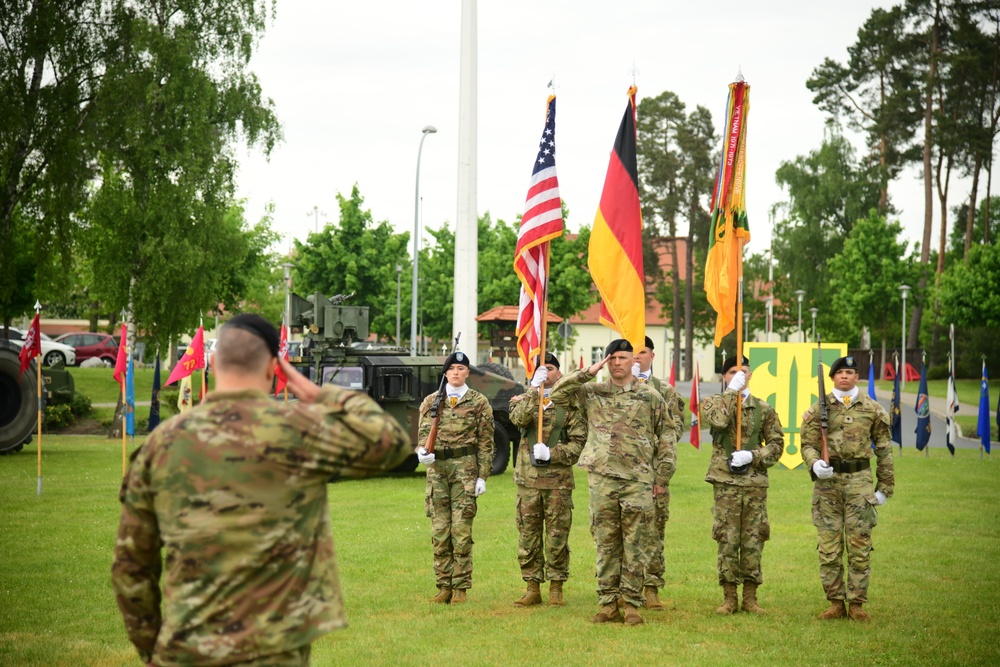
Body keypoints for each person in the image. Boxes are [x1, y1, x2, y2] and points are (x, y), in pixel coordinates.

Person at [112, 314, 410, 666]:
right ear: (274, 368)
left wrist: (151, 649)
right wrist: (319, 393)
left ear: (210, 363)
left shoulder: (162, 443)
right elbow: (392, 443)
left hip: (187, 648)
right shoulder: (300, 430)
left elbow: (131, 566)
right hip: (275, 651)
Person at [549, 339, 677, 626]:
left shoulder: (650, 397)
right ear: (606, 361)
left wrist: (662, 476)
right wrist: (587, 372)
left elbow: (667, 436)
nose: (617, 362)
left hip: (638, 480)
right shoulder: (592, 392)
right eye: (612, 358)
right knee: (606, 542)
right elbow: (556, 394)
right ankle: (608, 603)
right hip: (602, 479)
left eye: (623, 357)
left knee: (635, 542)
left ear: (633, 360)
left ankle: (631, 603)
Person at [800, 355, 895, 622]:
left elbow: (885, 450)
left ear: (857, 377)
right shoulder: (819, 408)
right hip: (827, 485)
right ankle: (835, 602)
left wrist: (885, 488)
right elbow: (807, 443)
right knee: (829, 547)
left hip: (859, 483)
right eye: (840, 372)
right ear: (832, 378)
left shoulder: (872, 408)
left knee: (859, 545)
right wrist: (814, 463)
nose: (844, 376)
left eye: (850, 372)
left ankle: (857, 604)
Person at [700, 354, 784, 615]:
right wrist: (731, 391)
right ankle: (729, 597)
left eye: (743, 371)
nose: (739, 374)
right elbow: (719, 421)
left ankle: (750, 597)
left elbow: (777, 445)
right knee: (727, 538)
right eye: (732, 371)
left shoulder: (764, 409)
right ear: (724, 376)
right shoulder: (713, 403)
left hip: (754, 483)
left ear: (751, 375)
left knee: (753, 538)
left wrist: (754, 455)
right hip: (725, 482)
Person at [415, 351, 495, 605]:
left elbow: (486, 442)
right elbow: (422, 434)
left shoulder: (479, 401)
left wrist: (482, 476)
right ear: (446, 373)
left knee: (461, 531)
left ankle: (460, 587)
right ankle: (443, 586)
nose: (456, 372)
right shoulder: (431, 401)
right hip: (437, 471)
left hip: (465, 469)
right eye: (452, 368)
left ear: (468, 373)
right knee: (440, 531)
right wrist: (421, 452)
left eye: (461, 368)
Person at [508, 352, 586, 607]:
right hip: (528, 482)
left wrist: (553, 453)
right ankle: (532, 587)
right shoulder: (521, 400)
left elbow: (578, 444)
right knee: (528, 536)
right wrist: (533, 389)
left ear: (559, 373)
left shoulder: (571, 406)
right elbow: (519, 419)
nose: (546, 373)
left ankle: (556, 588)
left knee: (557, 536)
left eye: (550, 368)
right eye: (541, 369)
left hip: (558, 483)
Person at [631, 335, 685, 611]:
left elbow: (674, 431)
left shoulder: (665, 391)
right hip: (625, 474)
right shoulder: (616, 389)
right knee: (623, 533)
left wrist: (662, 476)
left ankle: (651, 588)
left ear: (652, 356)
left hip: (652, 472)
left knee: (653, 532)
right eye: (632, 352)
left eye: (642, 352)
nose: (636, 357)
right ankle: (624, 589)